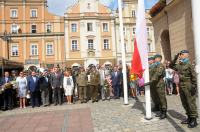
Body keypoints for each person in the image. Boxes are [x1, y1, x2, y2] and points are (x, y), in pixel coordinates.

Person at [170, 50, 198, 128]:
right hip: (181, 85)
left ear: (186, 55)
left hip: (188, 85)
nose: (180, 56)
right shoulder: (180, 64)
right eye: (180, 54)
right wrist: (175, 57)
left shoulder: (189, 64)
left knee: (190, 103)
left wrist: (194, 86)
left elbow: (194, 76)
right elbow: (171, 66)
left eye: (181, 54)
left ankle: (194, 120)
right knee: (184, 102)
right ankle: (189, 118)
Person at [151, 54, 167, 119]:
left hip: (160, 84)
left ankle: (164, 112)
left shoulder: (160, 65)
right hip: (156, 83)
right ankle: (161, 111)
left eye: (156, 58)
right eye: (154, 58)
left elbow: (158, 74)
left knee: (162, 99)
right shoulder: (156, 65)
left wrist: (151, 80)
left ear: (159, 59)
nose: (155, 59)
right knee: (158, 98)